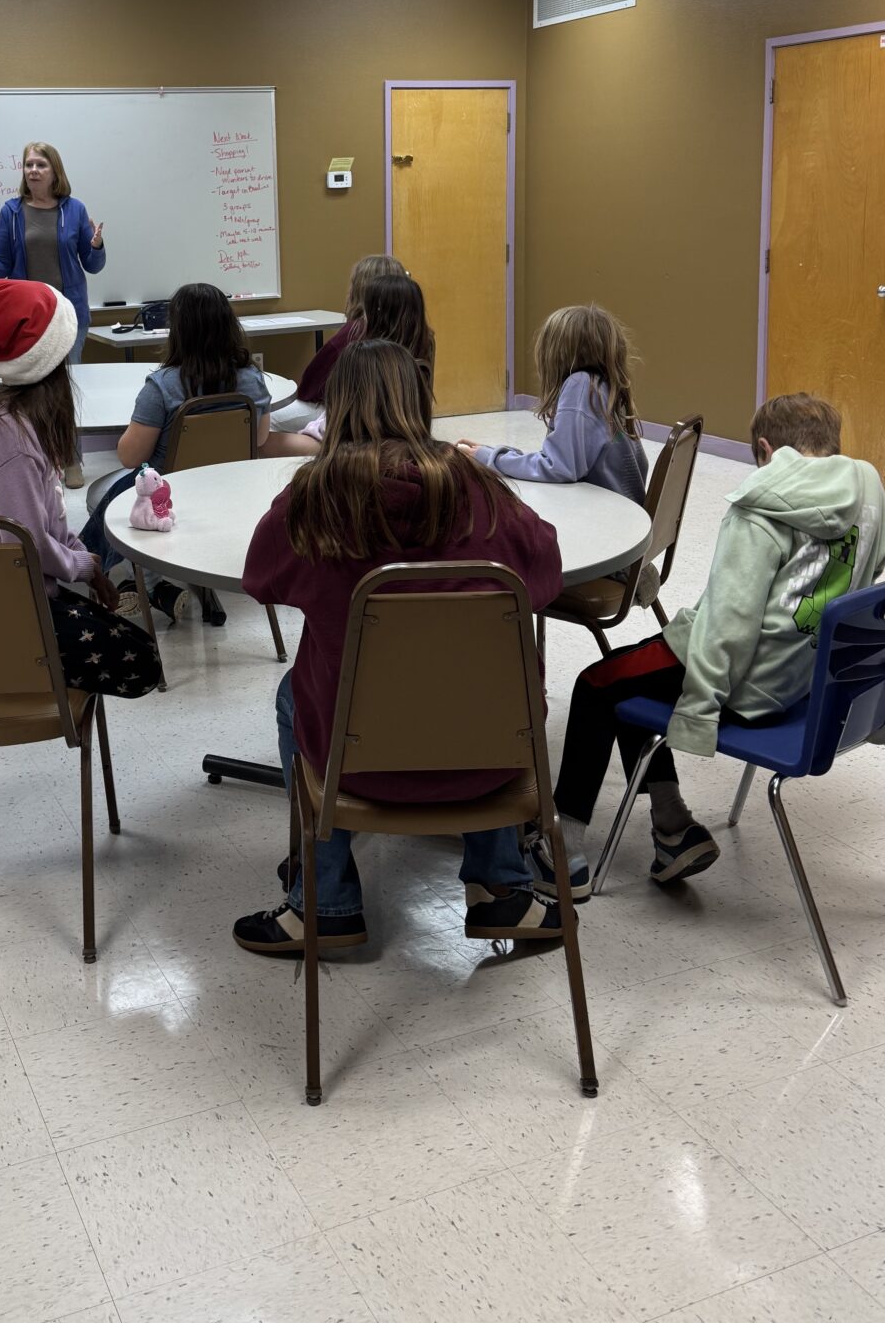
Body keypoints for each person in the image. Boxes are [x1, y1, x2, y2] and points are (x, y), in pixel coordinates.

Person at [232, 339, 568, 955]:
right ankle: (502, 890)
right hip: (487, 759)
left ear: (339, 407)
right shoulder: (477, 487)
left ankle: (324, 901)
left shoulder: (316, 497)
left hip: (354, 762)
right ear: (421, 403)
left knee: (294, 693)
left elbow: (260, 576)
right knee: (483, 686)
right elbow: (544, 575)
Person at [550, 392, 885, 895]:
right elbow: (868, 578)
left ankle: (563, 853)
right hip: (804, 677)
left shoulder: (758, 507)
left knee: (599, 683)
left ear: (763, 449)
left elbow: (730, 623)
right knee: (633, 673)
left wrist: (699, 712)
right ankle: (671, 828)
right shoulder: (871, 497)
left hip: (747, 680)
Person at [0, 279, 161, 700]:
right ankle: (11, 662)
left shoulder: (13, 412)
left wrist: (85, 561)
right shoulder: (17, 439)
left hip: (13, 584)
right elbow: (24, 541)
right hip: (5, 599)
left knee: (136, 649)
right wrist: (83, 567)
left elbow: (44, 518)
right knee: (143, 665)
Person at [79, 281, 273, 621]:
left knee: (109, 495)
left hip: (169, 496)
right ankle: (153, 588)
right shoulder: (252, 379)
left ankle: (97, 577)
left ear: (177, 331)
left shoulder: (163, 386)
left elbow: (129, 457)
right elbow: (258, 440)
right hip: (232, 490)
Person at [0, 143, 104, 484]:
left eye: (40, 164)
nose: (32, 170)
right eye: (28, 164)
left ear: (54, 171)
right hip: (28, 318)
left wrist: (97, 245)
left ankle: (71, 459)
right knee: (29, 390)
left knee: (65, 387)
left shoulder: (74, 210)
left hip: (69, 315)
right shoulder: (12, 212)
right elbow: (1, 268)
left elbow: (93, 265)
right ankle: (38, 462)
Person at [461, 303, 647, 503]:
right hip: (624, 514)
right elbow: (561, 459)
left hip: (605, 519)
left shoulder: (581, 386)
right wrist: (491, 453)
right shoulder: (606, 386)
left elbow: (558, 468)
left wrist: (490, 459)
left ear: (556, 353)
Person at [267, 270, 436, 458]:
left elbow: (323, 400)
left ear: (375, 310)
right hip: (401, 437)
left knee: (261, 437)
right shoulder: (423, 348)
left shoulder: (360, 356)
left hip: (346, 441)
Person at [269, 253, 406, 433]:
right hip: (391, 415)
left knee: (264, 420)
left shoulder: (353, 334)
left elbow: (308, 388)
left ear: (359, 289)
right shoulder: (412, 331)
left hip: (346, 414)